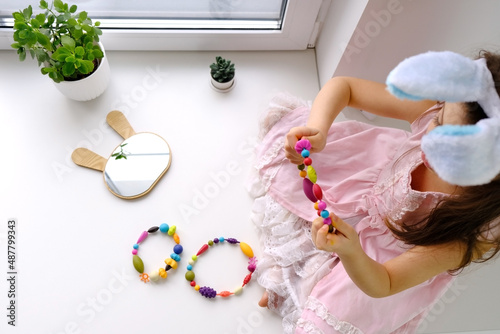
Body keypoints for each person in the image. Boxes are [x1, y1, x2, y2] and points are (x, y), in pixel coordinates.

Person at [248, 50, 500, 333]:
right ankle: (287, 277)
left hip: (380, 265)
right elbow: (345, 87)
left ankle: (296, 291)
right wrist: (318, 130)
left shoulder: (468, 233)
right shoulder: (432, 108)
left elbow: (386, 283)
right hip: (359, 183)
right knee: (294, 172)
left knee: (336, 308)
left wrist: (352, 251)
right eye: (439, 121)